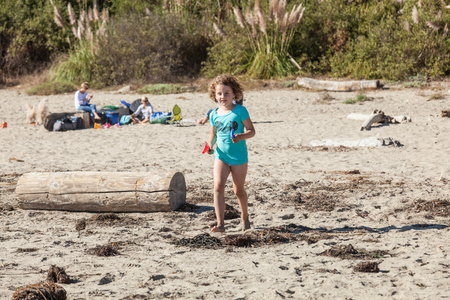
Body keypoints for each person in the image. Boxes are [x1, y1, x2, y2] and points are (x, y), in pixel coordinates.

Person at [205, 75, 256, 233]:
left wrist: (241, 136)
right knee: (218, 187)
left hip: (239, 158)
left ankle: (245, 217)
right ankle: (220, 225)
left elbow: (252, 131)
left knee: (238, 191)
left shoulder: (240, 111)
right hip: (221, 156)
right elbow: (213, 134)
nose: (222, 97)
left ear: (234, 94)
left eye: (226, 93)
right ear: (214, 95)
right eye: (219, 93)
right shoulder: (214, 114)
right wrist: (209, 146)